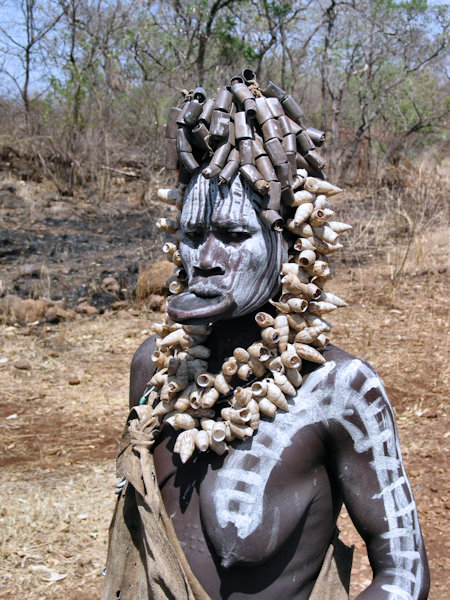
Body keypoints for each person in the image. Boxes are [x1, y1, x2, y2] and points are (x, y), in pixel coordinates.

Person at [102, 73, 429, 600]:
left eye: (232, 236)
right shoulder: (154, 371)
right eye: (191, 235)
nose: (204, 260)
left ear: (290, 243)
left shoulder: (340, 389)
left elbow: (404, 573)